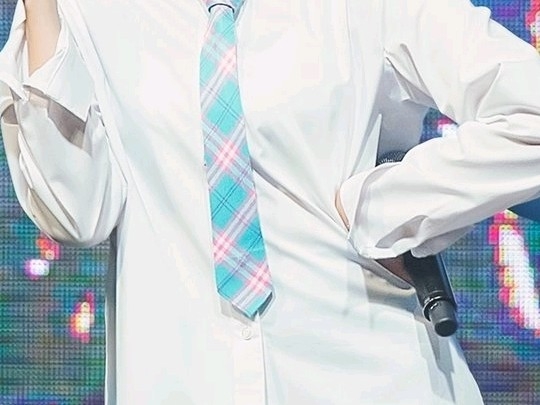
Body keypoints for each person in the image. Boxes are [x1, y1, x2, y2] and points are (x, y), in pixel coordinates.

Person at [1, 0, 540, 403]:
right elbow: (75, 212)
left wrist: (385, 207)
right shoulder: (95, 11)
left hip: (369, 372)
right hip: (189, 379)